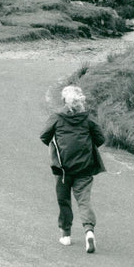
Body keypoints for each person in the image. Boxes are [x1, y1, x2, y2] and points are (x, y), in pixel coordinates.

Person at [40, 85, 106, 253]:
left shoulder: (56, 117)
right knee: (84, 201)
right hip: (84, 168)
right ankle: (89, 232)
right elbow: (100, 139)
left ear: (64, 101)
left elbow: (44, 136)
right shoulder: (87, 119)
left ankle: (66, 234)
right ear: (80, 102)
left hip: (62, 169)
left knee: (64, 200)